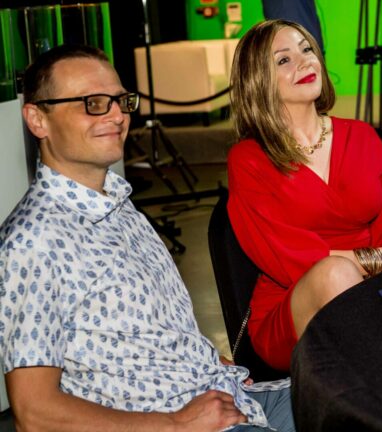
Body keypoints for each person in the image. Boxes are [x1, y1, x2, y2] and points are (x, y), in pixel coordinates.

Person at [0, 45, 294, 431]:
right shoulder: (32, 242)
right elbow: (34, 412)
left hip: (225, 394)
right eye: (93, 103)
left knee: (353, 391)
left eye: (120, 101)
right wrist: (176, 423)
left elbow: (139, 332)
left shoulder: (118, 205)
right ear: (37, 119)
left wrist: (199, 359)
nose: (117, 116)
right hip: (185, 422)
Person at [227, 19, 382, 371]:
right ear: (257, 79)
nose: (305, 62)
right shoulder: (249, 159)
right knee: (334, 274)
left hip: (375, 285)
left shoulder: (361, 136)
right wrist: (376, 258)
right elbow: (287, 256)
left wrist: (378, 264)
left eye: (307, 50)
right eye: (284, 59)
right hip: (293, 303)